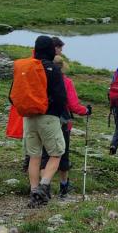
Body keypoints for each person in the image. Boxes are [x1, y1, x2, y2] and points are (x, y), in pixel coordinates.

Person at [11, 35, 68, 208]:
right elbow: (60, 97)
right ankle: (44, 186)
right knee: (57, 153)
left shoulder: (26, 67)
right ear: (51, 49)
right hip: (48, 116)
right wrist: (57, 114)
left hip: (28, 118)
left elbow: (13, 95)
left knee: (34, 156)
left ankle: (33, 191)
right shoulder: (52, 68)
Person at [42, 56, 91, 199]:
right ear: (62, 67)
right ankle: (64, 187)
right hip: (61, 121)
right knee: (62, 154)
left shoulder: (41, 78)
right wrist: (86, 111)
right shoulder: (66, 81)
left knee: (45, 155)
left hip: (41, 120)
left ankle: (44, 188)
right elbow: (73, 105)